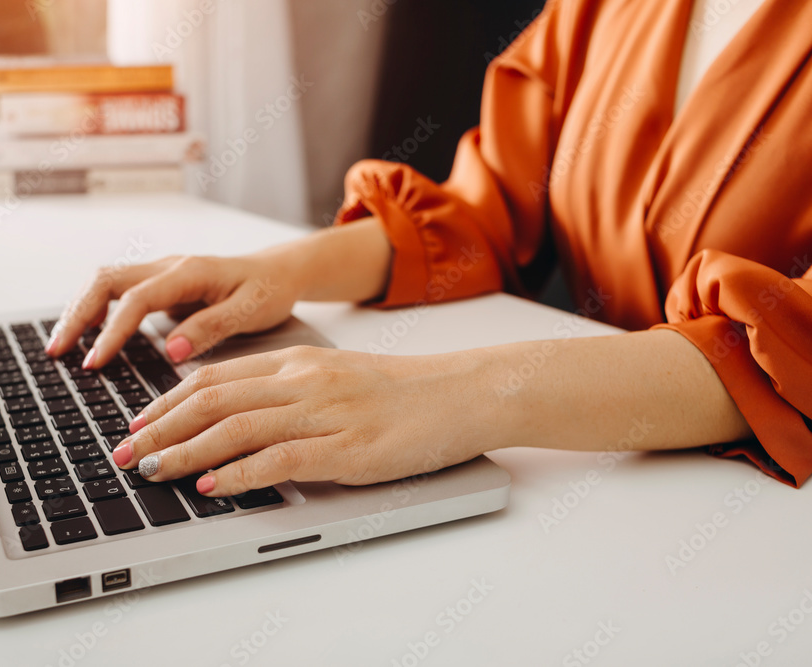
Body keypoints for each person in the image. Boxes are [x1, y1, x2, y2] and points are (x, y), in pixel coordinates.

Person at [47, 0, 812, 497]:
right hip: (603, 488)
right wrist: (280, 270)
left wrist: (456, 393)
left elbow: (796, 338)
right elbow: (485, 211)